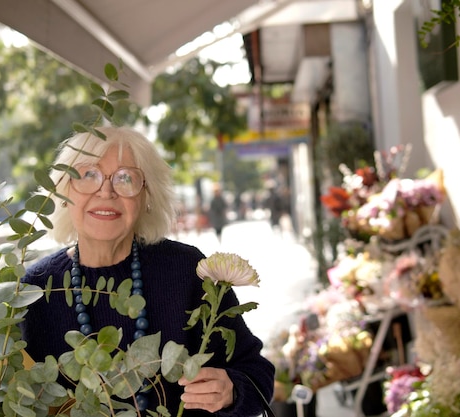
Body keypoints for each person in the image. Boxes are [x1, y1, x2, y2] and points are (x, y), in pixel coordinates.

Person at [19, 125, 274, 416]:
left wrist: (232, 390)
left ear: (146, 195)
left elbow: (258, 374)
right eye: (88, 174)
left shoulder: (187, 270)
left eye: (125, 178)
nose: (106, 191)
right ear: (65, 192)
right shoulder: (35, 290)